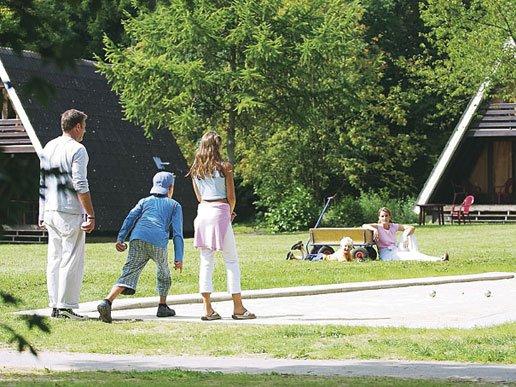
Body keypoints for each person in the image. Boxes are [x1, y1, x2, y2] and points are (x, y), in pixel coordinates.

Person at [96, 171, 184, 323]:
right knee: (164, 272)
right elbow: (177, 233)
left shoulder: (144, 201)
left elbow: (130, 217)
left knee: (129, 272)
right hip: (158, 243)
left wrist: (121, 238)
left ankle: (107, 302)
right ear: (170, 187)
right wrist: (178, 257)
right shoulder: (174, 205)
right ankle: (162, 306)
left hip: (137, 238)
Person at [189, 131, 255, 321]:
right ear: (216, 146)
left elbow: (199, 197)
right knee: (231, 261)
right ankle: (238, 308)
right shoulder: (225, 167)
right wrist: (229, 211)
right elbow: (232, 197)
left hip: (203, 212)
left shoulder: (196, 169)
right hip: (221, 210)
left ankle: (207, 309)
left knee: (206, 261)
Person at [39, 109, 95, 320]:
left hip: (50, 209)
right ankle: (65, 306)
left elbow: (43, 181)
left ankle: (55, 304)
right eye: (84, 127)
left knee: (54, 258)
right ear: (78, 126)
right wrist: (90, 214)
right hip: (69, 210)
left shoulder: (48, 147)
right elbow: (80, 183)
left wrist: (41, 211)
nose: (85, 132)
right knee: (71, 258)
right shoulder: (78, 149)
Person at [362, 207, 449, 262]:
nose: (384, 218)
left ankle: (414, 252)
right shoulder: (378, 227)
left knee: (410, 234)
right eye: (382, 216)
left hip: (396, 249)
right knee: (411, 256)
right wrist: (374, 229)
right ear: (379, 218)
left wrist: (406, 236)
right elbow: (364, 225)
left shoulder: (393, 226)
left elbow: (411, 227)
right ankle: (438, 259)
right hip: (386, 253)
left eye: (386, 216)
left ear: (389, 217)